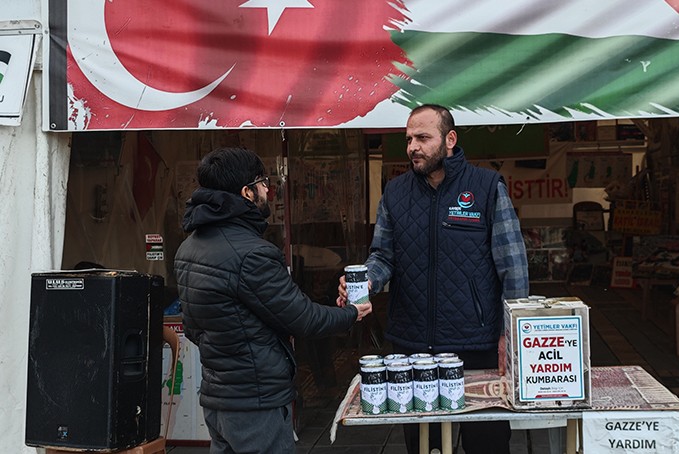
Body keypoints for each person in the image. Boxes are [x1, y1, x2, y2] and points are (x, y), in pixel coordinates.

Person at [338, 104, 529, 454]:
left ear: (450, 139)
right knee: (424, 446)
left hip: (475, 344)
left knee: (486, 443)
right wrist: (367, 282)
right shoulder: (395, 193)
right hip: (412, 347)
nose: (412, 147)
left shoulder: (486, 188)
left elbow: (513, 266)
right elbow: (382, 256)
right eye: (409, 138)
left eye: (423, 138)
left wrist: (510, 335)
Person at [174, 147, 371, 454]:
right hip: (256, 404)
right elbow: (303, 318)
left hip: (217, 400)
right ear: (246, 192)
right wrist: (350, 313)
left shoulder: (188, 249)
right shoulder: (252, 253)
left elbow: (192, 328)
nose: (268, 188)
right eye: (262, 181)